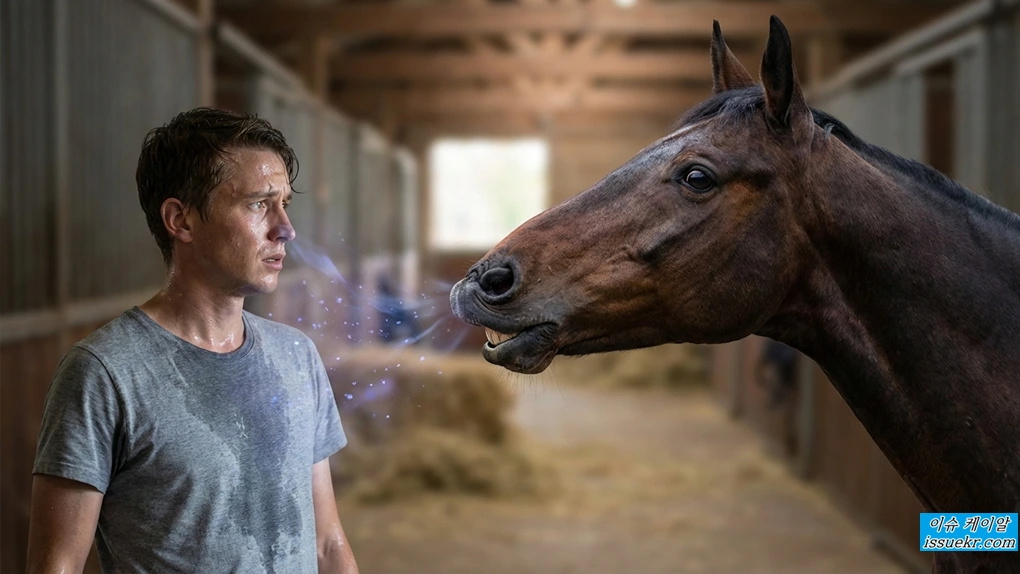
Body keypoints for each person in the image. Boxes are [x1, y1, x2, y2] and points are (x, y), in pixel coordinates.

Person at [26, 108, 359, 574]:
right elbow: (55, 565)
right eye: (258, 204)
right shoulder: (103, 373)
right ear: (181, 220)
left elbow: (327, 543)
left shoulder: (297, 356)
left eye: (285, 203)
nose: (285, 227)